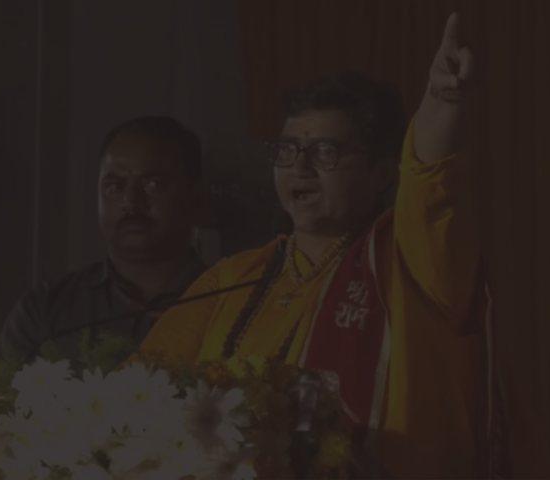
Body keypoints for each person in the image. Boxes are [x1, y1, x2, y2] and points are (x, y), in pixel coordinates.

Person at [139, 13, 487, 477]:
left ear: (382, 173)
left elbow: (430, 192)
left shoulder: (411, 262)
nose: (299, 168)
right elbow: (142, 387)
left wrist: (441, 106)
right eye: (287, 150)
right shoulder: (232, 278)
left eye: (326, 152)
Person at [0, 116, 206, 371]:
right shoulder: (45, 311)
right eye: (114, 186)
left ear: (195, 196)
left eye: (153, 184)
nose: (131, 202)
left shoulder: (232, 302)